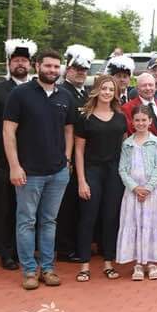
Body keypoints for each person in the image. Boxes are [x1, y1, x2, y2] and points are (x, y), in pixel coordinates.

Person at [3, 49, 75, 290]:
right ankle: (30, 272)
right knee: (26, 222)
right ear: (37, 66)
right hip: (29, 172)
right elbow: (8, 131)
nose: (53, 70)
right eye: (48, 66)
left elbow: (69, 129)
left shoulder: (64, 96)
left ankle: (47, 269)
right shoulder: (19, 94)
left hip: (58, 173)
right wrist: (14, 166)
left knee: (49, 221)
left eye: (57, 67)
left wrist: (66, 159)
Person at [0, 39, 35, 271]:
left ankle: (24, 249)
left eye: (24, 61)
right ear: (9, 64)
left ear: (30, 65)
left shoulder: (36, 90)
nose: (20, 64)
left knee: (27, 210)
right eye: (16, 61)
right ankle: (6, 253)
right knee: (5, 208)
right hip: (4, 160)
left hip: (32, 160)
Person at [73, 75, 128, 282]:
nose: (107, 93)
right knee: (88, 218)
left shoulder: (121, 118)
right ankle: (84, 265)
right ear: (97, 90)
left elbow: (125, 148)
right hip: (91, 172)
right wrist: (81, 180)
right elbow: (78, 151)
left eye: (111, 90)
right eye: (104, 88)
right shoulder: (85, 117)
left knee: (111, 218)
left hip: (114, 173)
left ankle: (108, 263)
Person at [117, 105, 157, 281]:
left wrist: (148, 187)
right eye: (137, 120)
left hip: (152, 193)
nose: (140, 123)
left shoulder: (156, 142)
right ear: (132, 122)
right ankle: (138, 264)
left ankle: (152, 262)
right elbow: (123, 169)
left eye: (144, 120)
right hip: (132, 194)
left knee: (151, 224)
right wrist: (134, 187)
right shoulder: (127, 144)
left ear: (150, 121)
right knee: (136, 224)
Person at [57, 43, 95, 262]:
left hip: (85, 156)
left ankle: (76, 244)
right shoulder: (63, 92)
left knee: (79, 205)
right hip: (69, 156)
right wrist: (67, 158)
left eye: (84, 70)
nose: (81, 73)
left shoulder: (86, 93)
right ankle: (64, 247)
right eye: (77, 69)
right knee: (67, 206)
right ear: (67, 69)